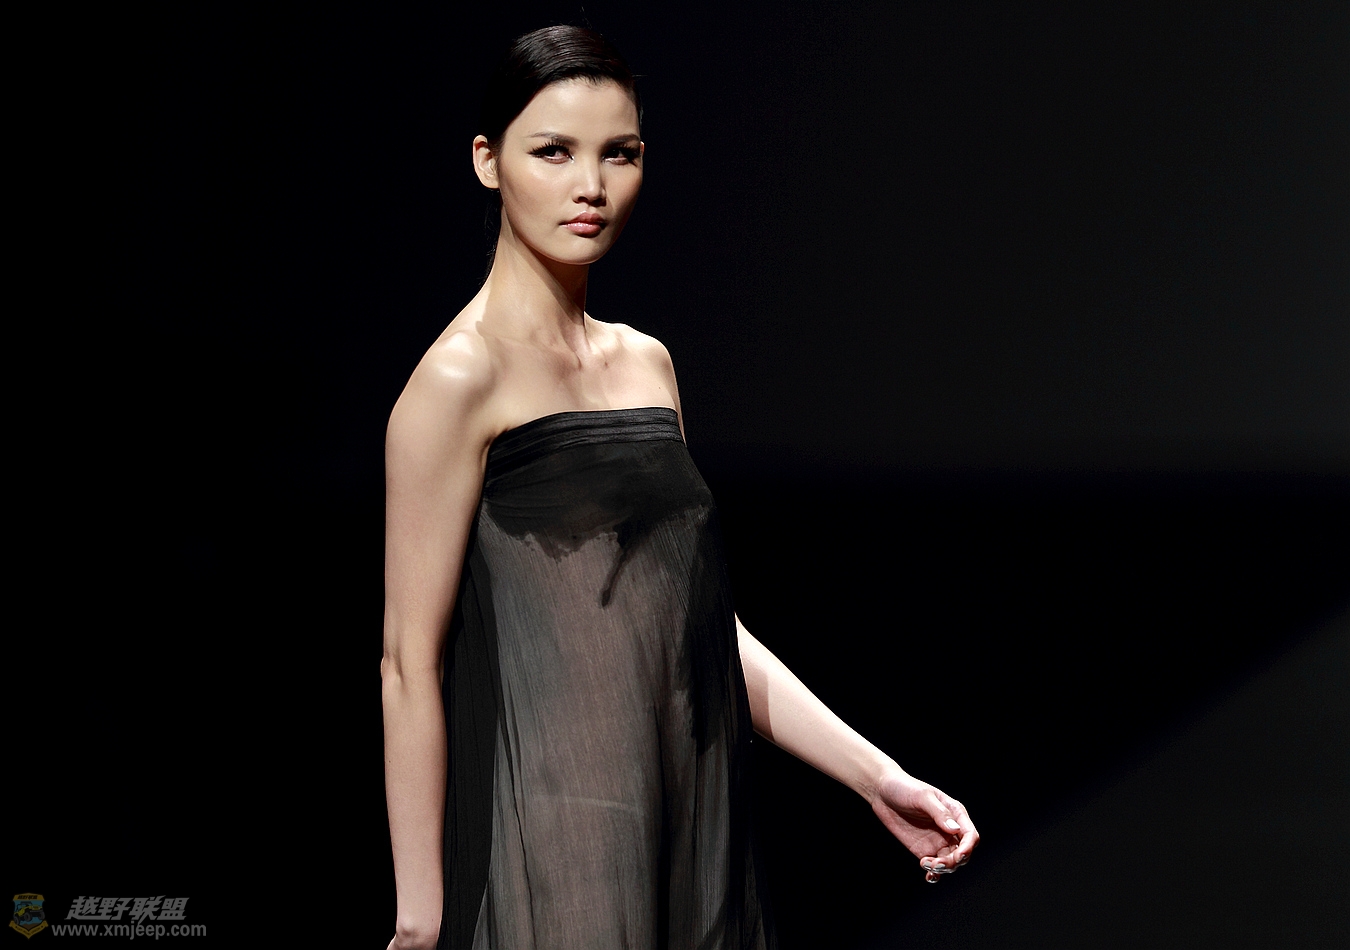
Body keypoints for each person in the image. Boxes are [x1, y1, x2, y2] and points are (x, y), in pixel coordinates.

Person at [382, 25, 978, 950]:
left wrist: (876, 778)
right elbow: (407, 662)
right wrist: (420, 916)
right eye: (553, 151)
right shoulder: (460, 379)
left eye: (618, 153)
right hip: (555, 848)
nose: (591, 185)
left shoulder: (646, 366)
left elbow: (696, 624)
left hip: (692, 831)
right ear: (487, 161)